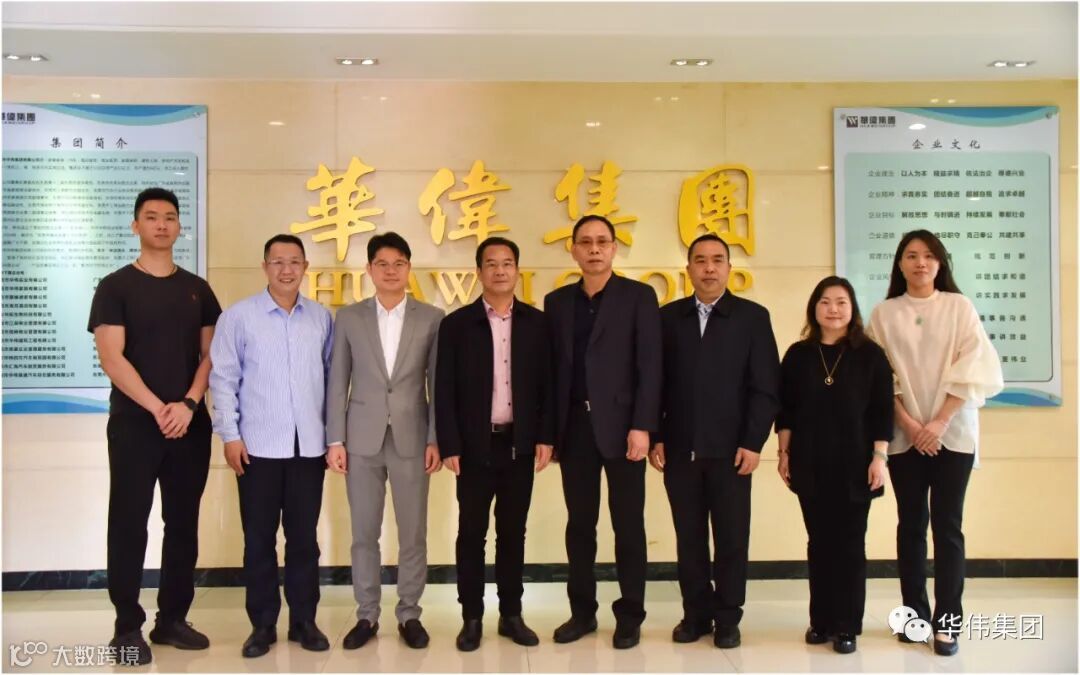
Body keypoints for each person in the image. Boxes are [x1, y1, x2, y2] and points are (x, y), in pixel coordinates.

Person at [88, 187, 221, 665]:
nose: (161, 224)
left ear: (179, 226)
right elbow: (112, 357)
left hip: (189, 425)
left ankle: (172, 619)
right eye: (151, 217)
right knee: (128, 523)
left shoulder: (198, 289)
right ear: (136, 225)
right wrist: (158, 408)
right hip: (135, 426)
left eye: (169, 217)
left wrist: (187, 404)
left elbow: (211, 355)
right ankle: (127, 626)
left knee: (182, 524)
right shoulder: (115, 286)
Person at [867, 229, 1003, 657]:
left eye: (928, 255)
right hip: (904, 437)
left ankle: (948, 624)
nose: (920, 263)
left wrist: (940, 422)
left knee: (948, 527)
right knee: (910, 527)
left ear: (940, 263)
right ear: (899, 264)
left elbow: (975, 366)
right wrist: (910, 424)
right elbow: (877, 377)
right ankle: (914, 618)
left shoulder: (959, 307)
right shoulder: (884, 314)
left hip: (953, 435)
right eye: (911, 255)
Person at [649, 233, 780, 649]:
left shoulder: (752, 318)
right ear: (688, 268)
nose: (709, 268)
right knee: (689, 538)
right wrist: (656, 436)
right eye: (701, 260)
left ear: (729, 268)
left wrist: (754, 442)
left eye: (717, 260)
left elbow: (765, 388)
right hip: (679, 450)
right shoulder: (668, 318)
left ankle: (727, 618)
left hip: (732, 452)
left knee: (731, 539)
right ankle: (695, 615)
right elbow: (654, 383)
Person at [208, 234, 333, 658]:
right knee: (259, 540)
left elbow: (331, 379)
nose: (286, 269)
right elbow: (223, 379)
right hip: (256, 449)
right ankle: (262, 625)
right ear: (264, 267)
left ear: (305, 267)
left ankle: (304, 621)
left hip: (308, 449)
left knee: (304, 541)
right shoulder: (239, 317)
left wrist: (332, 437)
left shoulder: (321, 319)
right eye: (277, 261)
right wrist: (229, 435)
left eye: (294, 261)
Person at [543, 214, 662, 650]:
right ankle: (582, 612)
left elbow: (650, 366)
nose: (594, 249)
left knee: (628, 525)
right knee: (580, 526)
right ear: (573, 249)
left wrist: (643, 426)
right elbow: (552, 374)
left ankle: (630, 615)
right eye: (585, 242)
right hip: (574, 429)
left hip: (625, 429)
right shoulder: (557, 303)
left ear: (614, 248)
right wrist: (550, 433)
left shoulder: (638, 297)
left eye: (602, 241)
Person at [325, 232, 444, 650]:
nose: (390, 271)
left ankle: (409, 613)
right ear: (369, 269)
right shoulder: (349, 317)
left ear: (409, 268)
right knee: (364, 533)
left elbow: (437, 385)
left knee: (413, 534)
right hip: (361, 439)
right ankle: (366, 614)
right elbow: (337, 381)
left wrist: (436, 438)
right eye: (382, 264)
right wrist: (335, 439)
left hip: (413, 437)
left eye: (398, 263)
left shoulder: (432, 318)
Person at [435, 237, 554, 651]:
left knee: (513, 533)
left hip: (519, 445)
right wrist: (449, 443)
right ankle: (471, 617)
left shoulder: (538, 324)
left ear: (517, 270)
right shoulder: (456, 325)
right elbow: (443, 389)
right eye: (491, 264)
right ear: (479, 272)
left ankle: (511, 614)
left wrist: (546, 437)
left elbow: (549, 387)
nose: (500, 270)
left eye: (507, 263)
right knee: (471, 533)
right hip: (473, 447)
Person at [775, 276, 893, 654]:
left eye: (841, 302)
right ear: (814, 308)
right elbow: (786, 409)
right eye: (825, 302)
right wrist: (783, 453)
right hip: (809, 462)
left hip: (856, 464)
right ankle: (821, 621)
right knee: (819, 543)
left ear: (852, 308)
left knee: (850, 545)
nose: (833, 309)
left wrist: (879, 458)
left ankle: (846, 625)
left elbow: (882, 412)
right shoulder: (798, 355)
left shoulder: (870, 355)